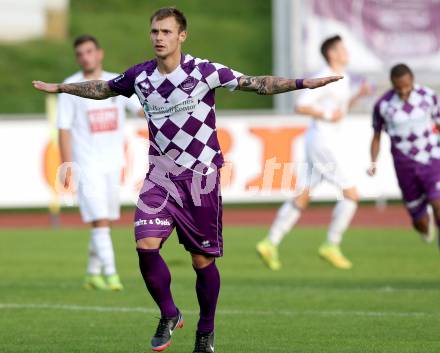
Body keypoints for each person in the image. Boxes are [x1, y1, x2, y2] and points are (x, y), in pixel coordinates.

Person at [32, 7, 341, 353]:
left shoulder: (205, 71)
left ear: (182, 36)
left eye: (166, 32)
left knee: (201, 261)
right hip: (160, 177)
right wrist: (61, 87)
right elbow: (103, 88)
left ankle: (205, 331)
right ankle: (169, 313)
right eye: (154, 32)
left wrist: (302, 83)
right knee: (145, 246)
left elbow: (256, 84)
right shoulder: (140, 77)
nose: (159, 38)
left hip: (201, 178)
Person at [257, 35, 371, 271]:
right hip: (322, 142)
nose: (346, 52)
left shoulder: (343, 78)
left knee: (304, 195)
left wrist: (357, 96)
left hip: (320, 141)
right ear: (332, 53)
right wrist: (328, 116)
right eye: (342, 48)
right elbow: (301, 105)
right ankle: (332, 244)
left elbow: (338, 109)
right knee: (351, 194)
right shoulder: (323, 76)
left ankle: (270, 242)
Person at [57, 35, 142, 291]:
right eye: (80, 53)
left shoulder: (116, 83)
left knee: (104, 219)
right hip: (87, 163)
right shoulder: (70, 87)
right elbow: (63, 128)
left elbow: (139, 109)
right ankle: (111, 274)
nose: (85, 57)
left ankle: (92, 273)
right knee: (101, 219)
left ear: (99, 53)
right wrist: (67, 165)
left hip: (113, 162)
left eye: (89, 51)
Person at [368, 63, 440, 244]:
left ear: (412, 80)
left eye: (407, 87)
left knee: (439, 205)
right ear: (392, 84)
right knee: (420, 222)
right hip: (404, 166)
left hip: (431, 159)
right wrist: (373, 162)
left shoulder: (428, 96)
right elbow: (376, 136)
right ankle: (424, 227)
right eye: (399, 88)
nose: (403, 92)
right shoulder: (383, 105)